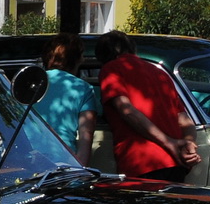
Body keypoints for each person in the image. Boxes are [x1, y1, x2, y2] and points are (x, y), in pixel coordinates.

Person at [96, 29, 199, 181]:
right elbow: (184, 120)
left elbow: (127, 110)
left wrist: (169, 143)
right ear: (132, 48)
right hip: (175, 163)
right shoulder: (160, 73)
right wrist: (189, 144)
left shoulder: (111, 69)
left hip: (141, 161)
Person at [31, 34, 99, 165]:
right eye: (82, 55)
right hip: (63, 161)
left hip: (27, 159)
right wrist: (80, 169)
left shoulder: (29, 83)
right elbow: (86, 134)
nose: (84, 59)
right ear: (76, 59)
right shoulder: (83, 88)